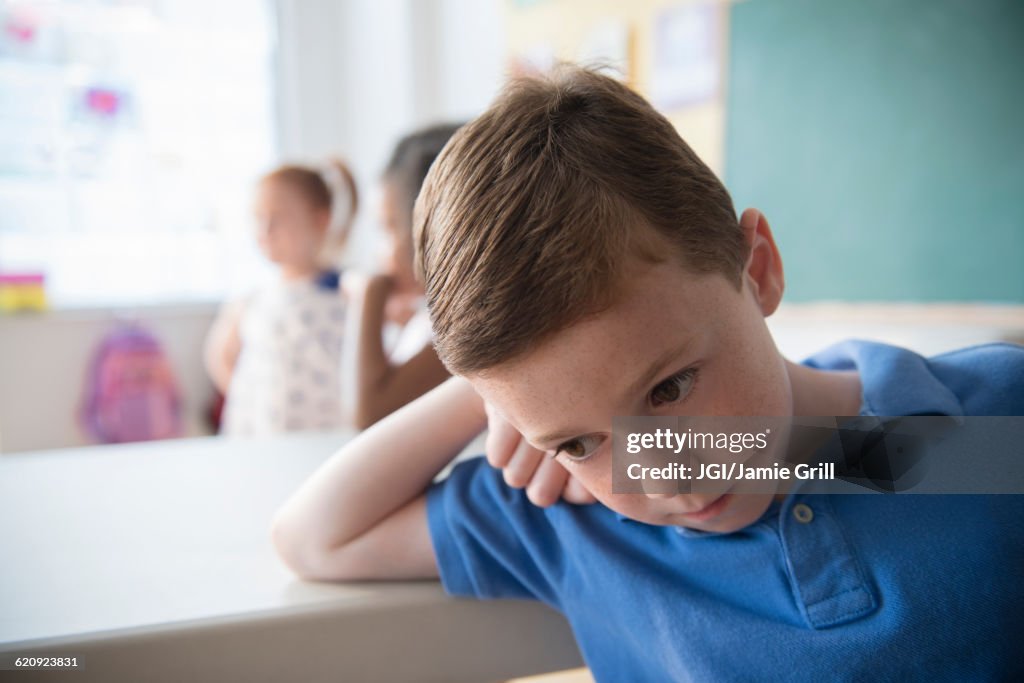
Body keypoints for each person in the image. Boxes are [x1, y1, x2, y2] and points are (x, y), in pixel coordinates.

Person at [270, 66, 1024, 681]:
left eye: (669, 388)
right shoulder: (583, 521)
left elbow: (850, 453)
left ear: (755, 268)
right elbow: (318, 536)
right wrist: (492, 388)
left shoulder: (987, 428)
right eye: (577, 441)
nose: (665, 474)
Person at [204, 159, 357, 435]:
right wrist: (252, 399)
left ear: (320, 220)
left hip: (328, 435)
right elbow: (220, 356)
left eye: (277, 218)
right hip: (265, 434)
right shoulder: (252, 298)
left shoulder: (348, 291)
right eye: (258, 218)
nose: (265, 230)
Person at [341, 124, 461, 429]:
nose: (379, 253)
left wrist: (371, 293)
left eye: (389, 227)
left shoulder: (469, 324)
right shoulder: (429, 318)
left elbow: (368, 414)